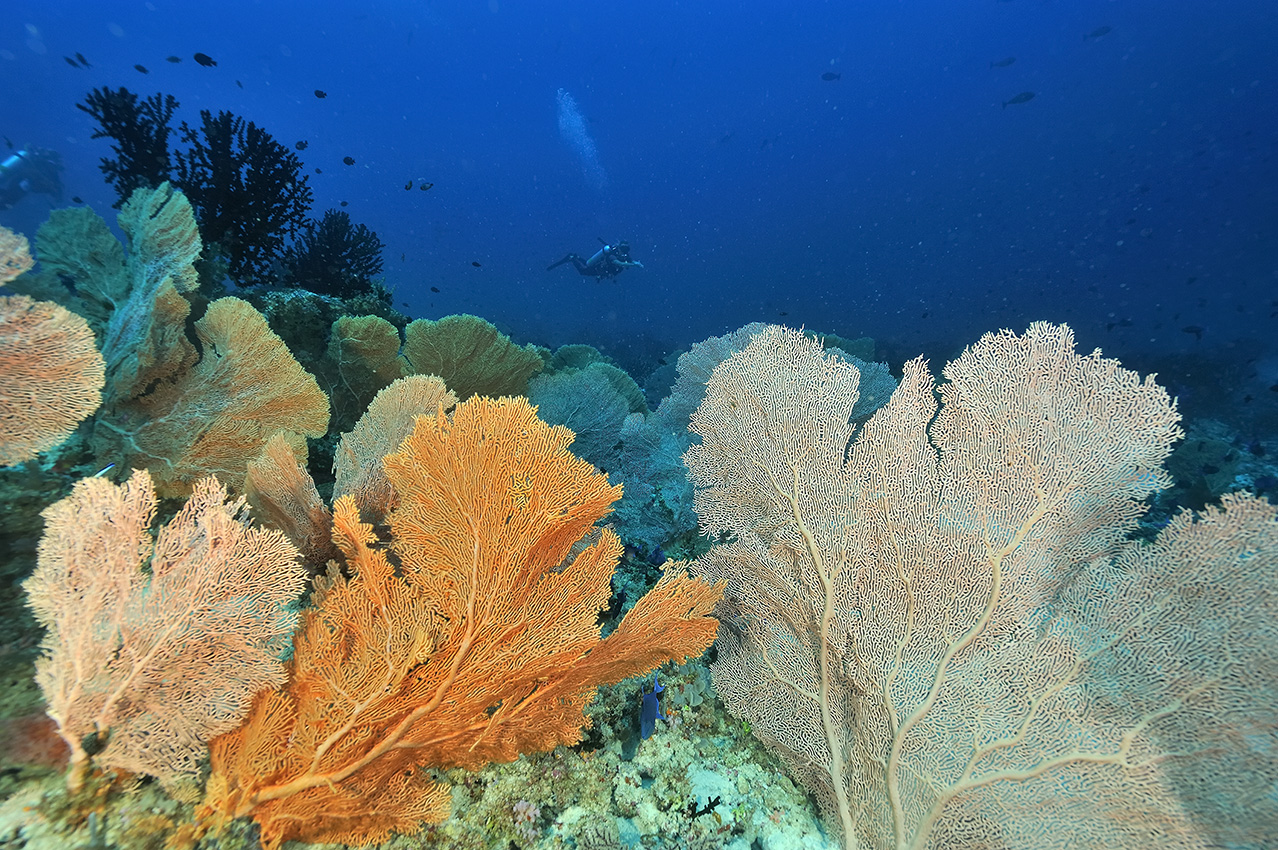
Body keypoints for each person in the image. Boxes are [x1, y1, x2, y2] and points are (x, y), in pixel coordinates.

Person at [0, 146, 64, 210]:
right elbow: (57, 192)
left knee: (7, 198)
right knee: (7, 201)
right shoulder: (49, 167)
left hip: (19, 178)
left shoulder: (35, 160)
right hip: (24, 183)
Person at [547, 239, 644, 281]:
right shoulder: (613, 255)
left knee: (587, 264)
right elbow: (619, 263)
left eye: (626, 249)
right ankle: (572, 258)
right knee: (583, 271)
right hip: (599, 269)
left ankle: (575, 257)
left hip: (600, 270)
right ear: (619, 248)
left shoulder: (625, 256)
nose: (625, 251)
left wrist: (636, 263)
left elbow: (628, 262)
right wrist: (635, 265)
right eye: (623, 249)